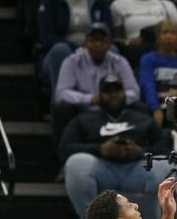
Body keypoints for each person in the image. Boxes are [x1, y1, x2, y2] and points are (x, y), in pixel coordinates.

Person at [60, 75, 172, 219]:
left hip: (136, 169)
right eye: (107, 91)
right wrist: (100, 149)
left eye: (117, 90)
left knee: (164, 164)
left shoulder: (142, 118)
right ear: (99, 95)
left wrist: (139, 151)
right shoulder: (84, 119)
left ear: (124, 92)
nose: (113, 95)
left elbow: (164, 148)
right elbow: (64, 148)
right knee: (76, 163)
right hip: (102, 169)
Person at [52, 23, 141, 152]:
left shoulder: (119, 62)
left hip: (113, 108)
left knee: (139, 107)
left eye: (102, 40)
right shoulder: (72, 61)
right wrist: (90, 99)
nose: (98, 44)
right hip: (83, 109)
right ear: (85, 43)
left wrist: (114, 98)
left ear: (109, 43)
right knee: (61, 108)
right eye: (93, 40)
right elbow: (61, 93)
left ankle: (136, 154)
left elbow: (134, 92)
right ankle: (62, 158)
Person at [37, 0, 112, 93]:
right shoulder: (51, 1)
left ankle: (105, 101)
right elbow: (47, 38)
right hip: (62, 54)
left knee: (113, 50)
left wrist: (91, 47)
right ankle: (62, 103)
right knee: (60, 50)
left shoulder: (99, 0)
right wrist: (75, 48)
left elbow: (107, 31)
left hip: (94, 50)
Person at [139, 19, 177, 125]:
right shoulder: (148, 59)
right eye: (164, 32)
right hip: (161, 106)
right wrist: (156, 109)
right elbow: (148, 85)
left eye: (172, 33)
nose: (168, 36)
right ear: (157, 37)